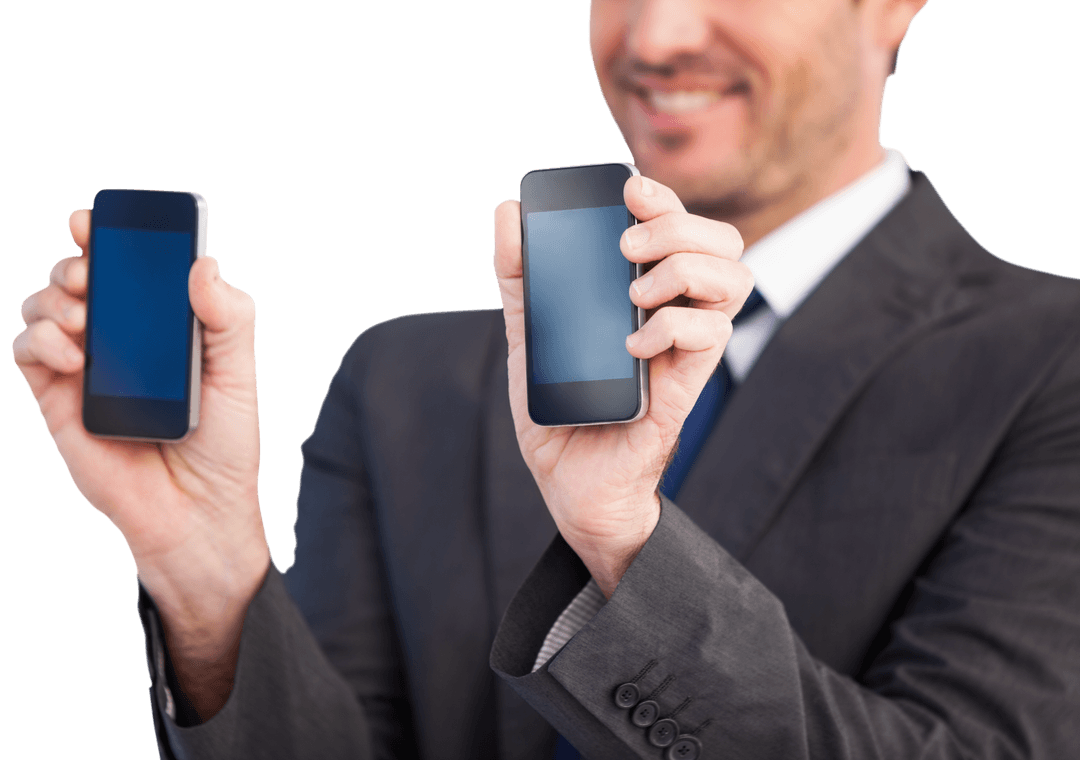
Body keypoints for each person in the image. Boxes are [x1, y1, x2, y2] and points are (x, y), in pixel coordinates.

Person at [13, 0, 1080, 757]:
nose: (656, 36)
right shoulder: (405, 385)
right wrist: (204, 564)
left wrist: (626, 544)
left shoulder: (1052, 360)